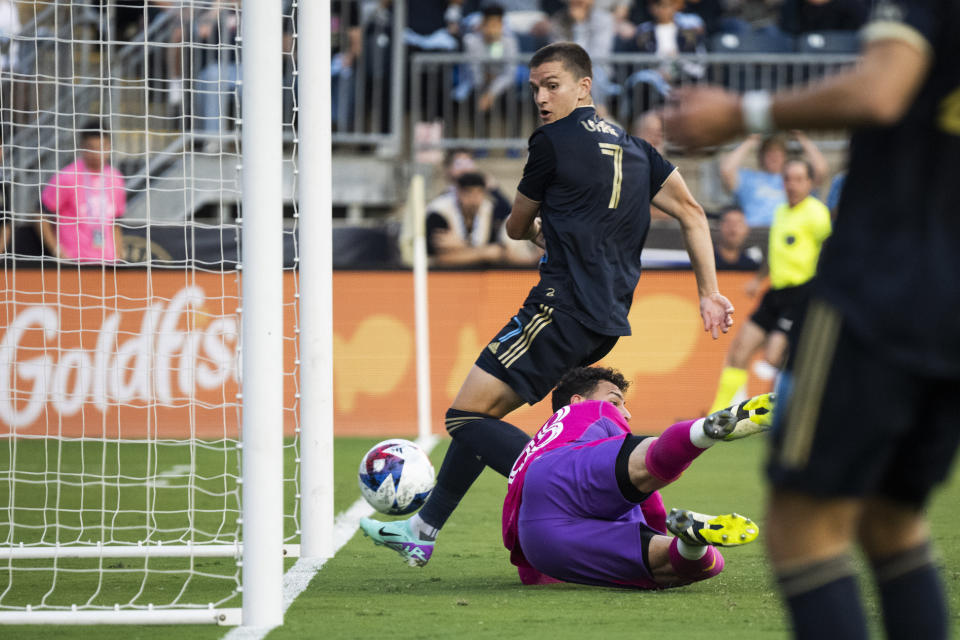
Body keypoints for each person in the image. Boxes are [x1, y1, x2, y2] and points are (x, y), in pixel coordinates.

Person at [360, 41, 734, 568]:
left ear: (585, 86)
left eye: (552, 85)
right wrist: (709, 291)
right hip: (603, 321)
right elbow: (694, 213)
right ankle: (423, 529)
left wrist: (537, 230)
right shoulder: (638, 150)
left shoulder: (552, 141)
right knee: (482, 417)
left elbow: (515, 226)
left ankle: (579, 485)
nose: (540, 96)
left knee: (464, 417)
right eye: (534, 87)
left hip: (559, 310)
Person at [663, 1, 960, 637]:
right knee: (892, 520)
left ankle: (733, 414)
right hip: (947, 294)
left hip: (882, 287)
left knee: (803, 527)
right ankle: (727, 412)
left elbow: (881, 91)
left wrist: (744, 112)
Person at [505, 366, 774, 588]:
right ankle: (706, 430)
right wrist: (654, 531)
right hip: (560, 478)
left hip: (540, 544)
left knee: (697, 565)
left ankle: (691, 544)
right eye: (615, 400)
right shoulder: (589, 411)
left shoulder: (531, 449)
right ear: (577, 400)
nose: (625, 412)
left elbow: (525, 559)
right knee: (649, 459)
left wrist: (537, 570)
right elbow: (647, 492)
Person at [708, 159, 830, 413]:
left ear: (810, 183)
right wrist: (759, 278)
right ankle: (719, 414)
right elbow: (778, 252)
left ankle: (793, 411)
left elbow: (833, 252)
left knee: (774, 358)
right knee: (739, 350)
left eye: (798, 179)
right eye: (788, 179)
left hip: (802, 293)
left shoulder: (817, 214)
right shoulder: (781, 211)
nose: (792, 185)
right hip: (775, 293)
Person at [39, 122, 127, 263]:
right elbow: (40, 214)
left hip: (108, 261)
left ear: (109, 147)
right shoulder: (66, 177)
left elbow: (116, 221)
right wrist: (56, 249)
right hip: (75, 261)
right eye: (91, 148)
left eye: (101, 147)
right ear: (82, 147)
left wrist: (118, 253)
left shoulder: (116, 178)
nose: (96, 153)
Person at [426, 172, 539, 267]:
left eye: (479, 193)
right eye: (468, 193)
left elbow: (499, 252)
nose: (474, 200)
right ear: (458, 192)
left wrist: (462, 247)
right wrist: (483, 253)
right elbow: (440, 259)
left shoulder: (490, 210)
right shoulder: (438, 213)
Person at [718, 132, 827, 227]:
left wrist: (801, 137)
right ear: (761, 157)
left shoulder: (793, 179)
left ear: (785, 157)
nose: (774, 157)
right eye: (769, 153)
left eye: (778, 153)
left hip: (787, 232)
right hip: (754, 234)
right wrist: (751, 140)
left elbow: (820, 170)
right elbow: (726, 170)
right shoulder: (749, 178)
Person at [713, 207, 762, 271]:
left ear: (747, 229)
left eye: (738, 223)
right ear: (718, 226)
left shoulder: (752, 266)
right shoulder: (705, 262)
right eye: (728, 223)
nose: (733, 229)